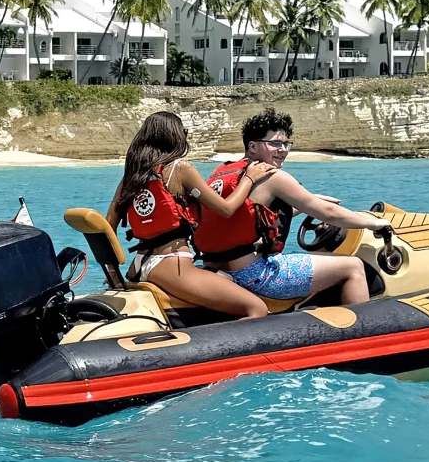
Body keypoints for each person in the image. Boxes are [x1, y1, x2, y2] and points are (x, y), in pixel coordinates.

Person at [193, 109, 391, 305]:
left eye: (286, 143)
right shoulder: (273, 176)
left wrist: (308, 202)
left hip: (218, 266)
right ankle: (360, 332)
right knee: (353, 266)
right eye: (275, 143)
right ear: (252, 146)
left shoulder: (223, 173)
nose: (283, 150)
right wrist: (373, 223)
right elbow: (329, 214)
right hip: (254, 275)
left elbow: (247, 216)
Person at [105, 110, 276, 320]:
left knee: (226, 283)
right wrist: (249, 178)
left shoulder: (133, 177)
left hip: (140, 265)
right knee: (256, 308)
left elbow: (106, 226)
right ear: (175, 136)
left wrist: (113, 273)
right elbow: (226, 209)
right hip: (172, 264)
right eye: (183, 132)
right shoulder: (180, 169)